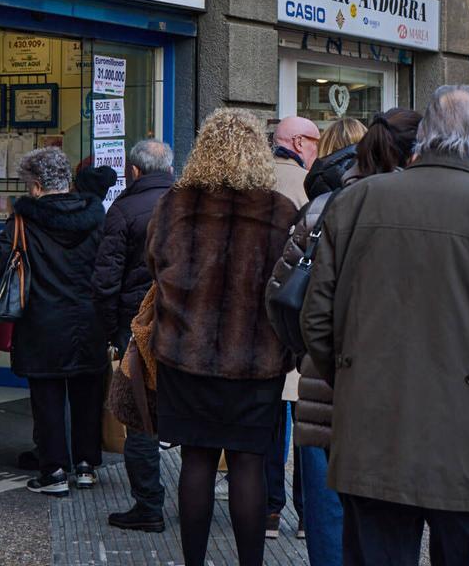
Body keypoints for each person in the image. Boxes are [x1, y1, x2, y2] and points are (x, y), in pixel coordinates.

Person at [302, 85, 469, 566]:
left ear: (424, 134)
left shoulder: (357, 201)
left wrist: (352, 379)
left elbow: (316, 318)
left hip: (372, 428)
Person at [267, 108, 419, 566]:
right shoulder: (416, 209)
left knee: (326, 496)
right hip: (396, 384)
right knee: (389, 510)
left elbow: (282, 292)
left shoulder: (320, 207)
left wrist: (316, 355)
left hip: (323, 380)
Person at [148, 109, 299, 566]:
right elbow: (289, 285)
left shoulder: (176, 204)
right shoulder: (280, 211)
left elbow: (154, 263)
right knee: (249, 462)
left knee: (196, 460)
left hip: (185, 353)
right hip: (256, 359)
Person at [0, 147, 106, 496]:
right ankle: (85, 466)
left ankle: (52, 470)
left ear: (36, 186)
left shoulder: (23, 221)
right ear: (66, 181)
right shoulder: (96, 216)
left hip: (42, 322)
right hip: (88, 320)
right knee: (87, 395)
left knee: (48, 398)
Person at [267, 117, 365, 541]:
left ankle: (277, 512)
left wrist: (300, 344)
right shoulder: (380, 203)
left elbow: (282, 282)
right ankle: (306, 516)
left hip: (309, 348)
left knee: (297, 428)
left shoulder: (317, 204)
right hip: (363, 361)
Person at [98, 139, 175, 534]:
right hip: (181, 323)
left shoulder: (124, 208)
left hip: (137, 323)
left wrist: (111, 327)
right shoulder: (188, 204)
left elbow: (107, 277)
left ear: (134, 171)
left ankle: (148, 503)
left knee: (140, 414)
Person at [273, 116, 320, 209]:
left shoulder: (253, 174)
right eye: (317, 143)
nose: (318, 150)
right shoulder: (310, 181)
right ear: (299, 142)